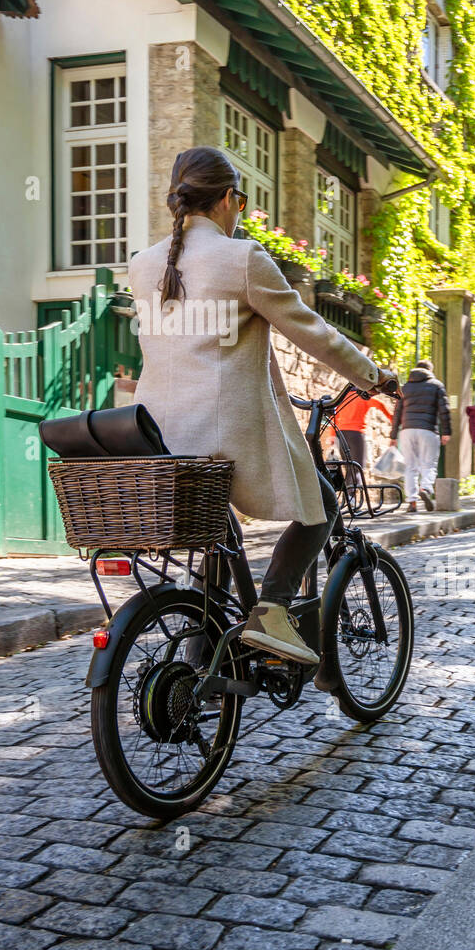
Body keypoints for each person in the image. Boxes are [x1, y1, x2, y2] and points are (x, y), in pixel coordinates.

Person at [129, 146, 396, 666]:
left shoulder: (143, 265)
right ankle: (272, 610)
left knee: (217, 538)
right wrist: (374, 375)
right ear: (230, 199)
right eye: (242, 203)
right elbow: (312, 332)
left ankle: (202, 663)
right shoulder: (242, 259)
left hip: (158, 435)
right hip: (224, 433)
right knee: (322, 508)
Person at [390, 358, 451, 512]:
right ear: (430, 371)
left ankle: (412, 502)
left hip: (407, 431)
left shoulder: (406, 387)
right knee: (428, 464)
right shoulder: (437, 385)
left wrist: (393, 435)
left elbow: (397, 411)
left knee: (410, 467)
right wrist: (447, 432)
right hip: (428, 429)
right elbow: (444, 410)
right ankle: (425, 489)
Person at [333, 389, 395, 482]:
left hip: (340, 433)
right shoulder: (362, 397)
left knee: (349, 467)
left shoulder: (342, 398)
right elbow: (379, 404)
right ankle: (351, 495)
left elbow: (333, 415)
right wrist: (391, 418)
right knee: (358, 467)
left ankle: (348, 495)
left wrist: (332, 434)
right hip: (356, 434)